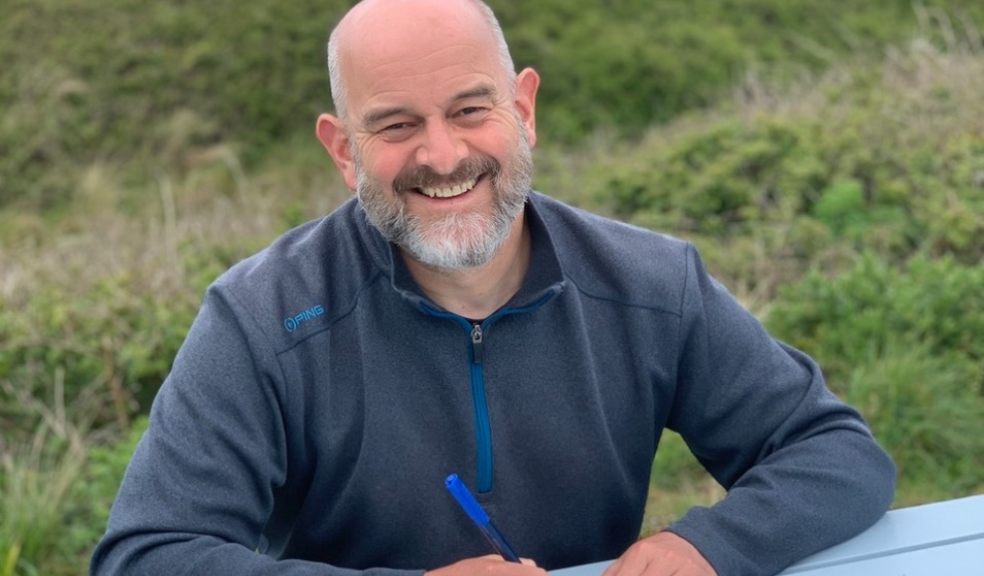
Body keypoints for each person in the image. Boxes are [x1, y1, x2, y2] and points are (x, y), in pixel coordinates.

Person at [90, 1, 896, 575]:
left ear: (524, 109)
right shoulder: (259, 319)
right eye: (397, 125)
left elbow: (836, 453)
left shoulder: (653, 285)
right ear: (343, 150)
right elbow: (146, 553)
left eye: (471, 110)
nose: (442, 156)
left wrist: (713, 547)